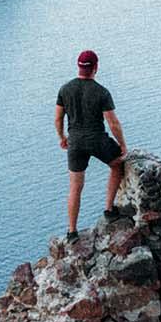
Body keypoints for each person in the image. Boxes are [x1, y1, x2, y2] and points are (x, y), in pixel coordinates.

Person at [53, 49, 127, 241]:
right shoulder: (101, 92)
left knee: (75, 187)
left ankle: (71, 231)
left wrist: (62, 137)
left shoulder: (65, 89)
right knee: (117, 164)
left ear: (78, 67)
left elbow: (58, 118)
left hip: (75, 142)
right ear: (96, 67)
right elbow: (113, 123)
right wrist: (122, 145)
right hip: (97, 140)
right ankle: (109, 209)